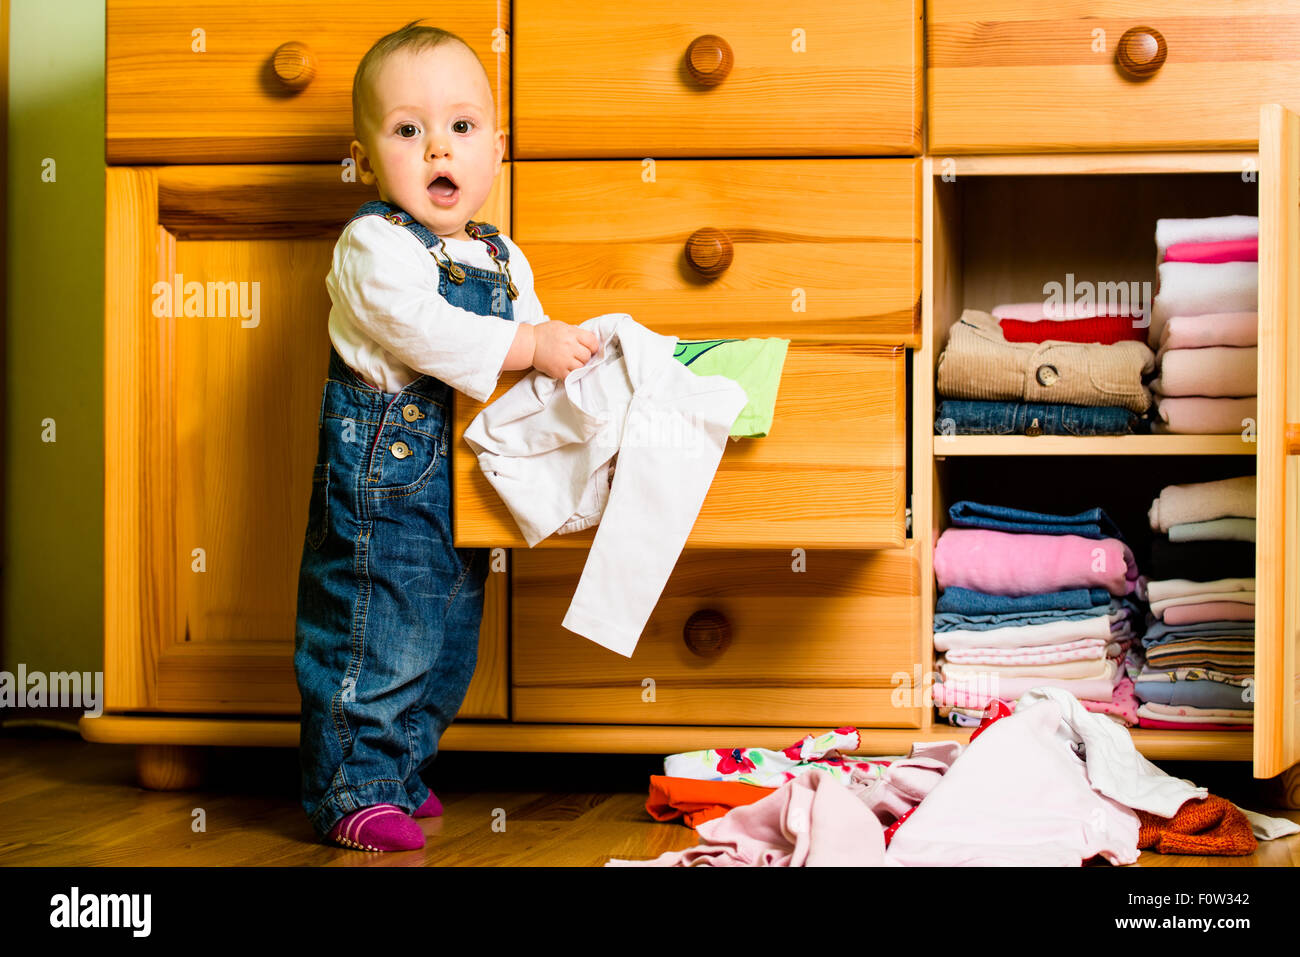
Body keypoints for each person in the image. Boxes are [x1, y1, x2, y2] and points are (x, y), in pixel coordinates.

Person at [293, 20, 599, 851]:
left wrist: (562, 362)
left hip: (459, 478)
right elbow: (420, 326)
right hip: (381, 485)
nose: (439, 149)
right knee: (374, 627)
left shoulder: (503, 256)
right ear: (365, 158)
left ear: (496, 149)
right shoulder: (374, 245)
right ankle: (349, 787)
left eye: (462, 128)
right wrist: (528, 345)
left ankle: (401, 769)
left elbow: (528, 343)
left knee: (446, 634)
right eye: (408, 130)